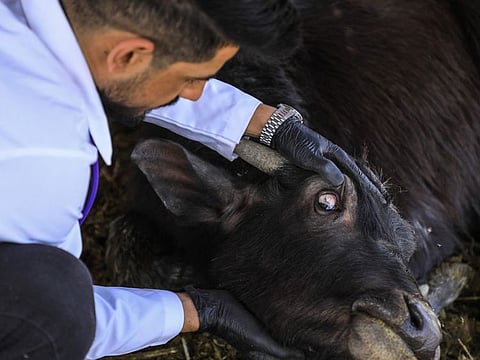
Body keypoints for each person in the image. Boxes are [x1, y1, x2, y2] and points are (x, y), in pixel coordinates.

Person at [0, 1, 373, 359]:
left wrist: (263, 122)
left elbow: (131, 77)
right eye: (192, 78)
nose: (195, 92)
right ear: (128, 56)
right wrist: (194, 311)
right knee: (55, 309)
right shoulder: (44, 172)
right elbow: (38, 313)